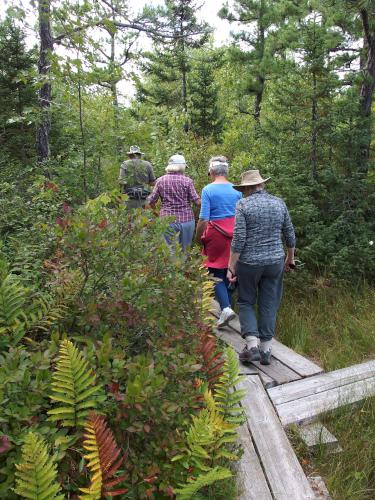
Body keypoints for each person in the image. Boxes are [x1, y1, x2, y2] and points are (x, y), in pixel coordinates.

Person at [227, 170, 296, 366]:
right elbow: (289, 234)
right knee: (269, 302)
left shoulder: (243, 205)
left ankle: (252, 345)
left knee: (246, 301)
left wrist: (231, 266)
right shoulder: (279, 203)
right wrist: (290, 258)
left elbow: (239, 239)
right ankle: (266, 350)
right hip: (275, 261)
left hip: (249, 263)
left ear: (247, 188)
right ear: (261, 185)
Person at [195, 156, 242, 328]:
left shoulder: (208, 190)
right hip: (235, 233)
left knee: (214, 272)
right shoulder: (237, 190)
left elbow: (204, 218)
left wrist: (198, 237)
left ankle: (226, 309)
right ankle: (227, 308)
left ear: (212, 171)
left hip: (216, 234)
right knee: (229, 270)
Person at [146, 154, 200, 251]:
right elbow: (197, 202)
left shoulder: (160, 181)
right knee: (185, 250)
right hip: (187, 220)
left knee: (170, 251)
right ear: (182, 167)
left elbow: (150, 201)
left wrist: (156, 213)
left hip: (167, 220)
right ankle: (185, 265)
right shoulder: (188, 181)